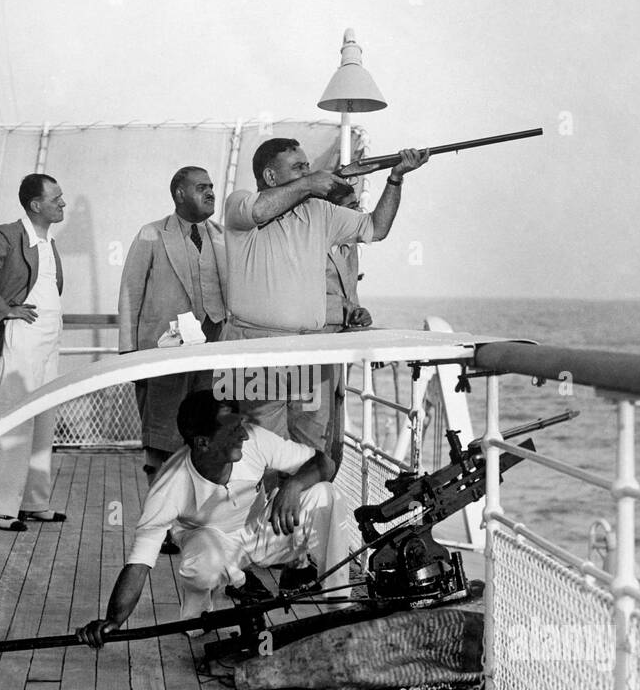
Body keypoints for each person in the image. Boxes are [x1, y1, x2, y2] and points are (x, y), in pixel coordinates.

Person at [76, 390, 350, 648]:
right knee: (203, 569)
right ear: (203, 442)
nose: (244, 435)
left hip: (260, 531)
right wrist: (112, 620)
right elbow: (139, 563)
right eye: (233, 430)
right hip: (209, 546)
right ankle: (203, 605)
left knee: (326, 495)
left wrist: (294, 485)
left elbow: (325, 463)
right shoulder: (168, 487)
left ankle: (340, 609)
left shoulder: (255, 439)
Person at [219, 137, 428, 449]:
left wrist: (396, 177)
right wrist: (309, 184)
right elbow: (260, 211)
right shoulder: (239, 202)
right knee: (257, 449)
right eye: (298, 168)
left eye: (307, 167)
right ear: (270, 177)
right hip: (253, 351)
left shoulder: (319, 211)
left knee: (312, 450)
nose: (307, 173)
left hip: (308, 349)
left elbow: (377, 227)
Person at [0, 173, 68, 532]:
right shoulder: (7, 235)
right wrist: (2, 308)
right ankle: (0, 509)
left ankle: (34, 502)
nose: (63, 203)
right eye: (56, 199)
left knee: (44, 421)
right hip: (20, 339)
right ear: (35, 205)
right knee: (14, 421)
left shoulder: (48, 241)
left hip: (48, 341)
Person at [117, 166, 228, 481]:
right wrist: (129, 354)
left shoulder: (224, 236)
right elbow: (130, 292)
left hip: (213, 352)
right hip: (163, 352)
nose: (210, 192)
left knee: (208, 432)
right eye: (201, 187)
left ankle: (198, 504)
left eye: (211, 186)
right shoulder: (151, 234)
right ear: (180, 194)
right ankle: (160, 506)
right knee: (161, 437)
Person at [321, 187, 373, 468]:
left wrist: (360, 321)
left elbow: (350, 295)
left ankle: (324, 478)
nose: (358, 213)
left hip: (339, 352)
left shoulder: (350, 246)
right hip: (314, 348)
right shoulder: (312, 244)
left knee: (333, 430)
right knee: (312, 428)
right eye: (351, 207)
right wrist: (346, 309)